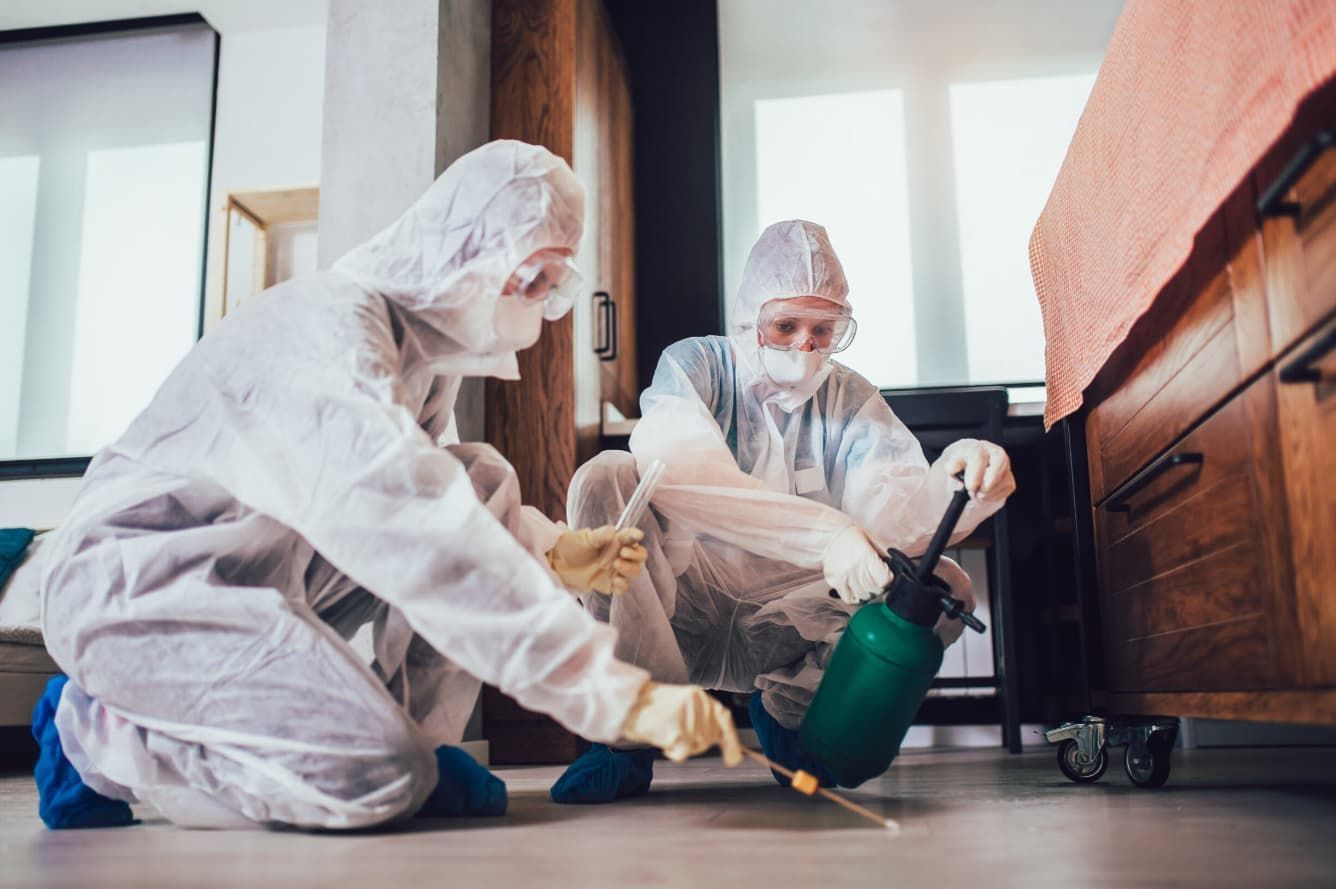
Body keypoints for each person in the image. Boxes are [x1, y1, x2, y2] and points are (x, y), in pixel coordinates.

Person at [33, 140, 740, 832]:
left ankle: (419, 743)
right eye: (535, 279)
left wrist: (553, 547)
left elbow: (436, 498)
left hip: (247, 567)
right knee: (378, 773)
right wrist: (606, 689)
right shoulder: (333, 339)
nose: (544, 304)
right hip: (136, 587)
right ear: (469, 256)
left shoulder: (422, 355)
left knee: (482, 475)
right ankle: (97, 731)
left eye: (553, 285)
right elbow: (416, 529)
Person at [550, 220, 1015, 804]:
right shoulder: (699, 366)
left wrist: (955, 482)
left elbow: (893, 520)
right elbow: (680, 467)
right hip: (681, 597)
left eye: (824, 330)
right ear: (749, 318)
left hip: (791, 613)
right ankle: (625, 738)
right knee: (606, 478)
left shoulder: (851, 399)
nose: (805, 346)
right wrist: (828, 536)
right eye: (786, 326)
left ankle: (794, 717)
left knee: (941, 584)